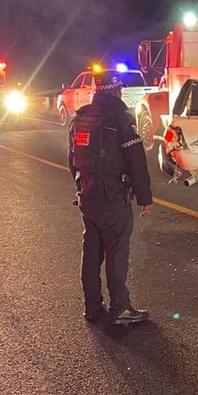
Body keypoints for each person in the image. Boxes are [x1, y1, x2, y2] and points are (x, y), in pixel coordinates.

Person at [68, 71, 153, 325]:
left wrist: (82, 186)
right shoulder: (120, 120)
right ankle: (121, 309)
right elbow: (136, 162)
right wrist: (144, 198)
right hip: (113, 198)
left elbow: (72, 160)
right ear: (116, 91)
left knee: (91, 252)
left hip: (87, 195)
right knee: (116, 254)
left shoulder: (80, 119)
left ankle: (92, 307)